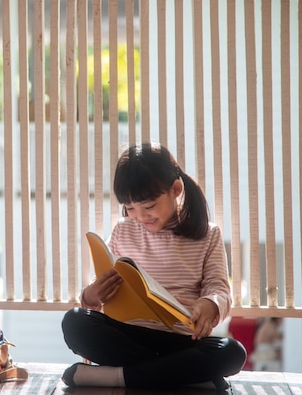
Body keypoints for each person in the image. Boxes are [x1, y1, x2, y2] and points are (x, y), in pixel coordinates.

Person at [61, 142, 247, 391]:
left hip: (182, 339)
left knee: (232, 352)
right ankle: (189, 375)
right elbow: (102, 278)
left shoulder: (207, 234)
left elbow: (220, 288)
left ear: (176, 189)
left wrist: (210, 303)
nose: (140, 215)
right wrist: (91, 294)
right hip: (130, 335)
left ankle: (116, 377)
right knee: (74, 322)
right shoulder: (122, 230)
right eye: (130, 208)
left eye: (148, 206)